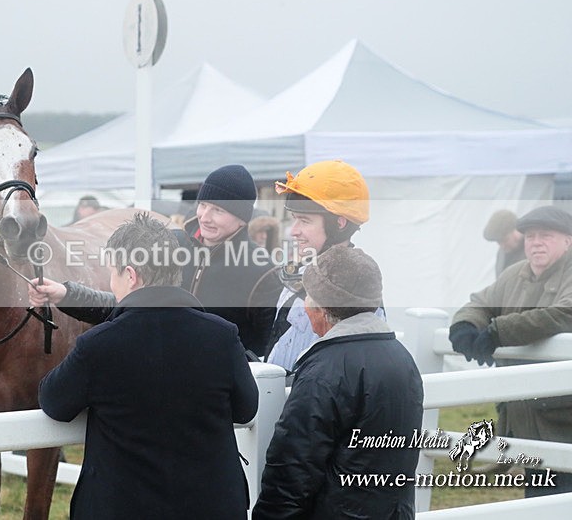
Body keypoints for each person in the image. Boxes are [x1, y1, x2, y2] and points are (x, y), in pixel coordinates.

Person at [40, 213, 259, 520]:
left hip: (123, 508)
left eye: (112, 274)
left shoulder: (99, 346)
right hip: (210, 506)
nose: (111, 284)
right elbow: (246, 409)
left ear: (131, 275)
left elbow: (54, 402)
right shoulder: (222, 336)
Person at [30, 164, 281, 357]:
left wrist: (216, 364)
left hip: (212, 395)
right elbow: (125, 306)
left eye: (219, 210)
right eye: (202, 205)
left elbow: (267, 354)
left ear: (242, 218)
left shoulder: (263, 272)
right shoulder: (169, 245)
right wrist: (65, 294)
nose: (205, 216)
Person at [253, 247, 423, 519]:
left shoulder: (325, 371)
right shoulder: (401, 358)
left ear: (322, 308)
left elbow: (293, 469)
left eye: (308, 295)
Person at [449, 205, 572, 497]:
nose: (536, 242)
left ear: (568, 240)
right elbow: (482, 301)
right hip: (527, 416)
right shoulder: (516, 273)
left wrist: (497, 332)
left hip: (563, 420)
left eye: (546, 235)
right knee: (538, 499)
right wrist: (465, 326)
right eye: (530, 236)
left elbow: (563, 313)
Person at [265, 159, 380, 370]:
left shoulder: (355, 288)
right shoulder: (301, 271)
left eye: (305, 220)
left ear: (340, 223)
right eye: (294, 219)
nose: (293, 231)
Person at [483, 209, 525, 277]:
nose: (502, 246)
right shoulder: (502, 254)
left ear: (516, 231)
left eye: (505, 240)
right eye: (499, 242)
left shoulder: (533, 249)